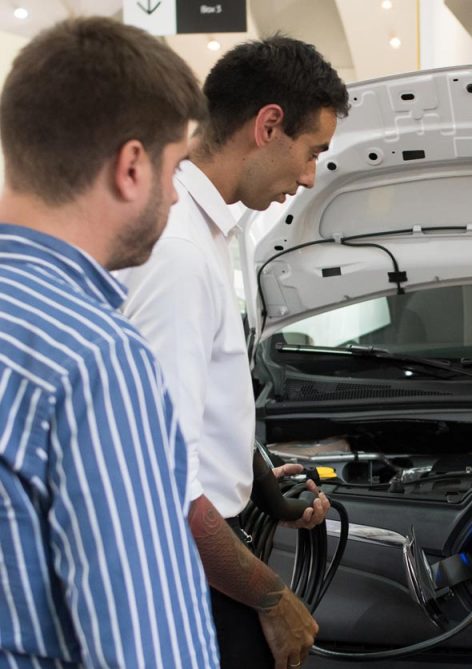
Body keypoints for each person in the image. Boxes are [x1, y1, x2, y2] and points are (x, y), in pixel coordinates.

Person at [119, 36, 350, 669]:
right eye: (312, 152)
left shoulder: (206, 231)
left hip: (208, 554)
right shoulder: (179, 254)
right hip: (190, 580)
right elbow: (163, 483)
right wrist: (272, 598)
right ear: (268, 125)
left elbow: (189, 409)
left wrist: (257, 480)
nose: (309, 177)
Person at [0, 17, 218, 667]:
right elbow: (149, 648)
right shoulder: (94, 358)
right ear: (130, 166)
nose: (174, 195)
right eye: (175, 169)